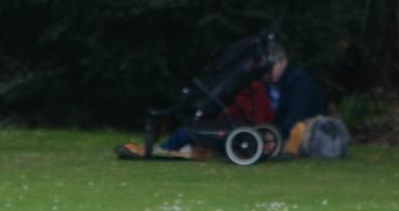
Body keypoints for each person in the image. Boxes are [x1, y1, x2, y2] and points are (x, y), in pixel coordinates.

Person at [123, 41, 327, 158]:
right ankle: (167, 148)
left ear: (282, 62)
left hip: (288, 134)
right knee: (199, 131)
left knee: (200, 133)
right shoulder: (268, 84)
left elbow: (294, 117)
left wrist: (272, 137)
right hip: (267, 132)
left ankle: (166, 149)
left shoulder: (300, 81)